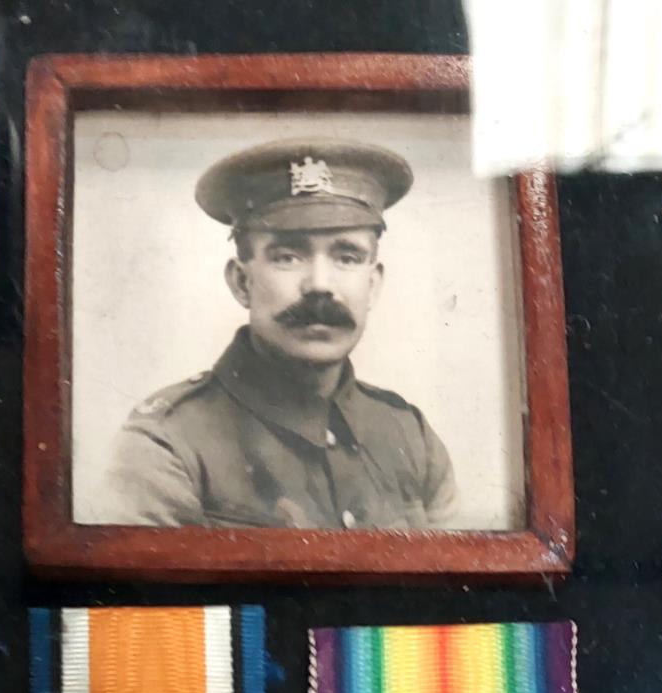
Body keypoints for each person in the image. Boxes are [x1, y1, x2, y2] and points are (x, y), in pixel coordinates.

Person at [103, 139, 457, 530]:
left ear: (372, 285)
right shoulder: (166, 446)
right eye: (288, 256)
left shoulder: (412, 439)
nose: (320, 285)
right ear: (242, 282)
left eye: (347, 257)